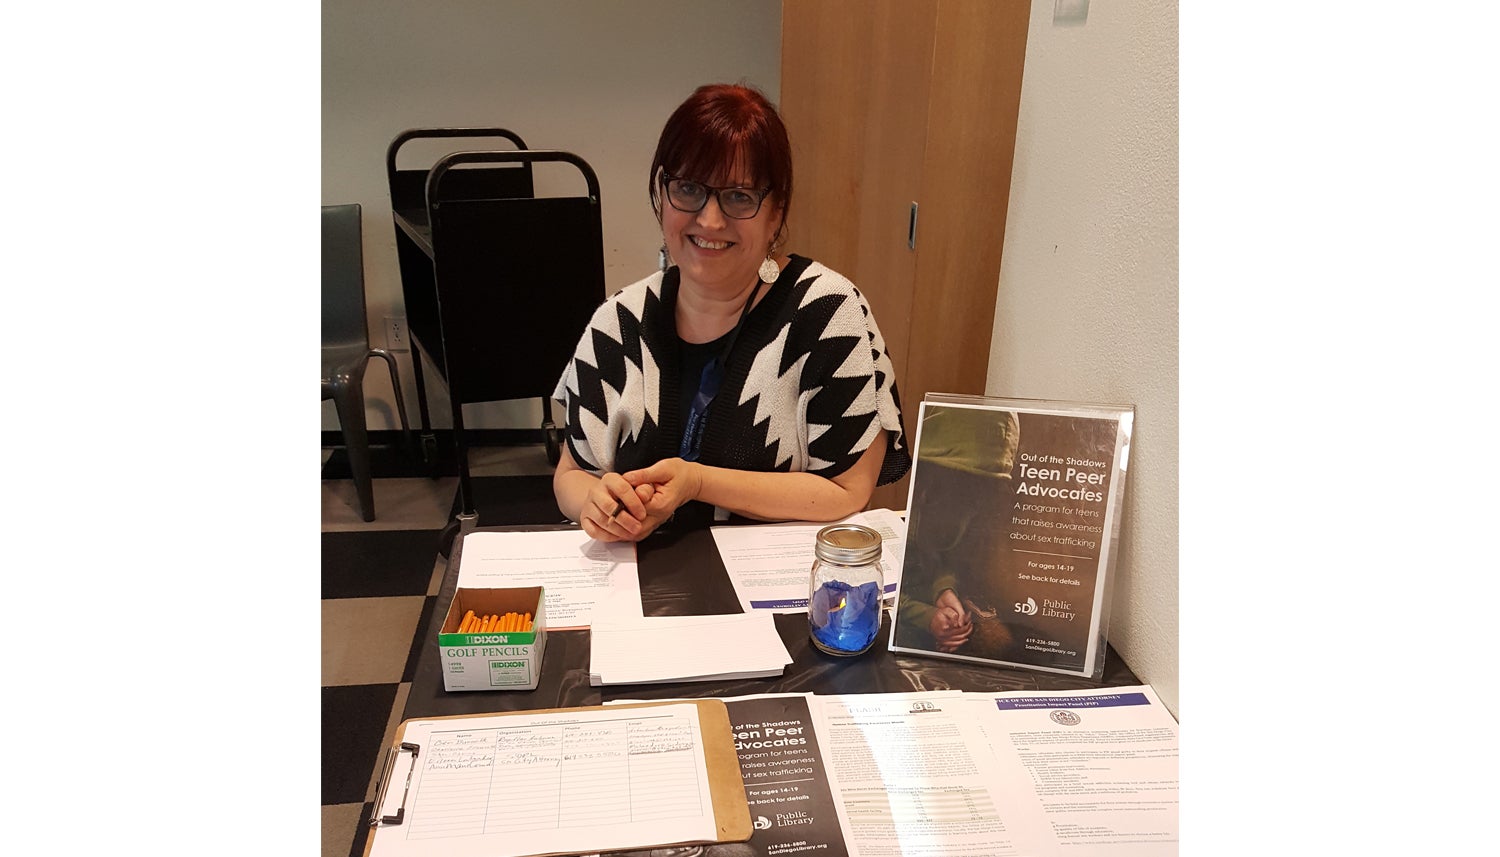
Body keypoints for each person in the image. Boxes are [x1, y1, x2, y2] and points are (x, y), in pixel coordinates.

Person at [552, 83, 910, 542]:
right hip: (635, 588)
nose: (711, 220)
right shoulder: (618, 321)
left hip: (774, 595)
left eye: (739, 196)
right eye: (689, 189)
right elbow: (571, 474)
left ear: (776, 212)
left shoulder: (825, 314)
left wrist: (698, 482)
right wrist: (596, 504)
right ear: (662, 196)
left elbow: (847, 491)